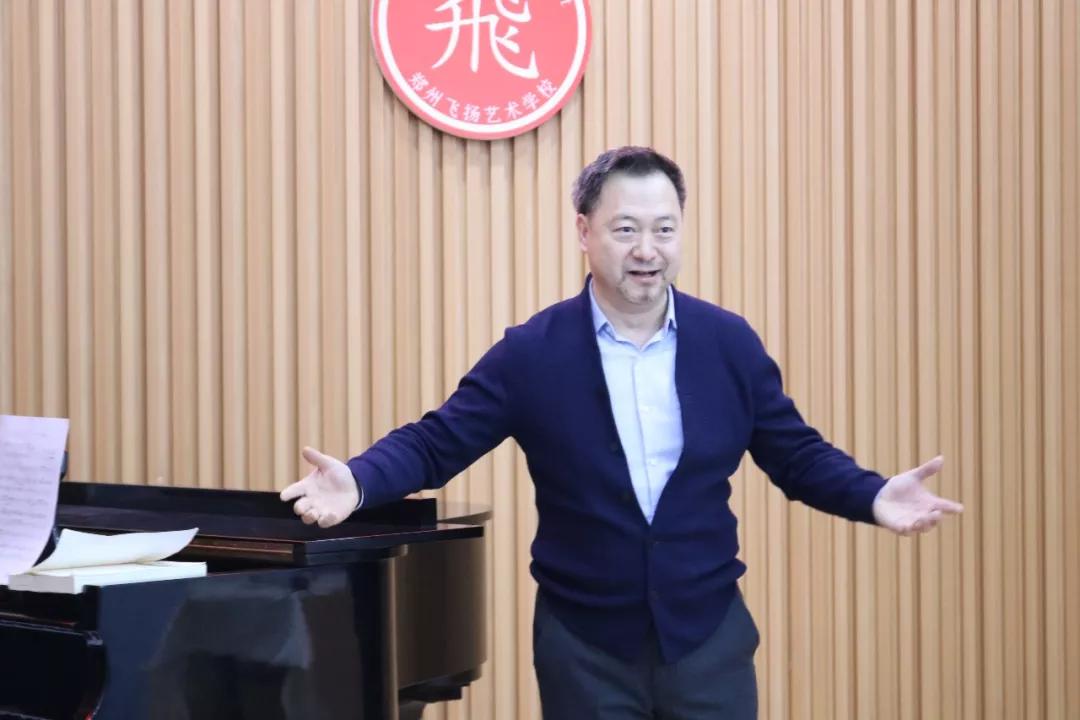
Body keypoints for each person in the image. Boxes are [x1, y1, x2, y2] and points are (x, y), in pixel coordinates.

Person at [280, 146, 963, 719]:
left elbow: (797, 455)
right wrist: (359, 480)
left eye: (665, 229)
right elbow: (437, 441)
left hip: (709, 637)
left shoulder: (727, 344)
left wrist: (873, 494)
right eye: (626, 229)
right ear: (585, 231)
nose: (647, 250)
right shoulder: (533, 353)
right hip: (585, 646)